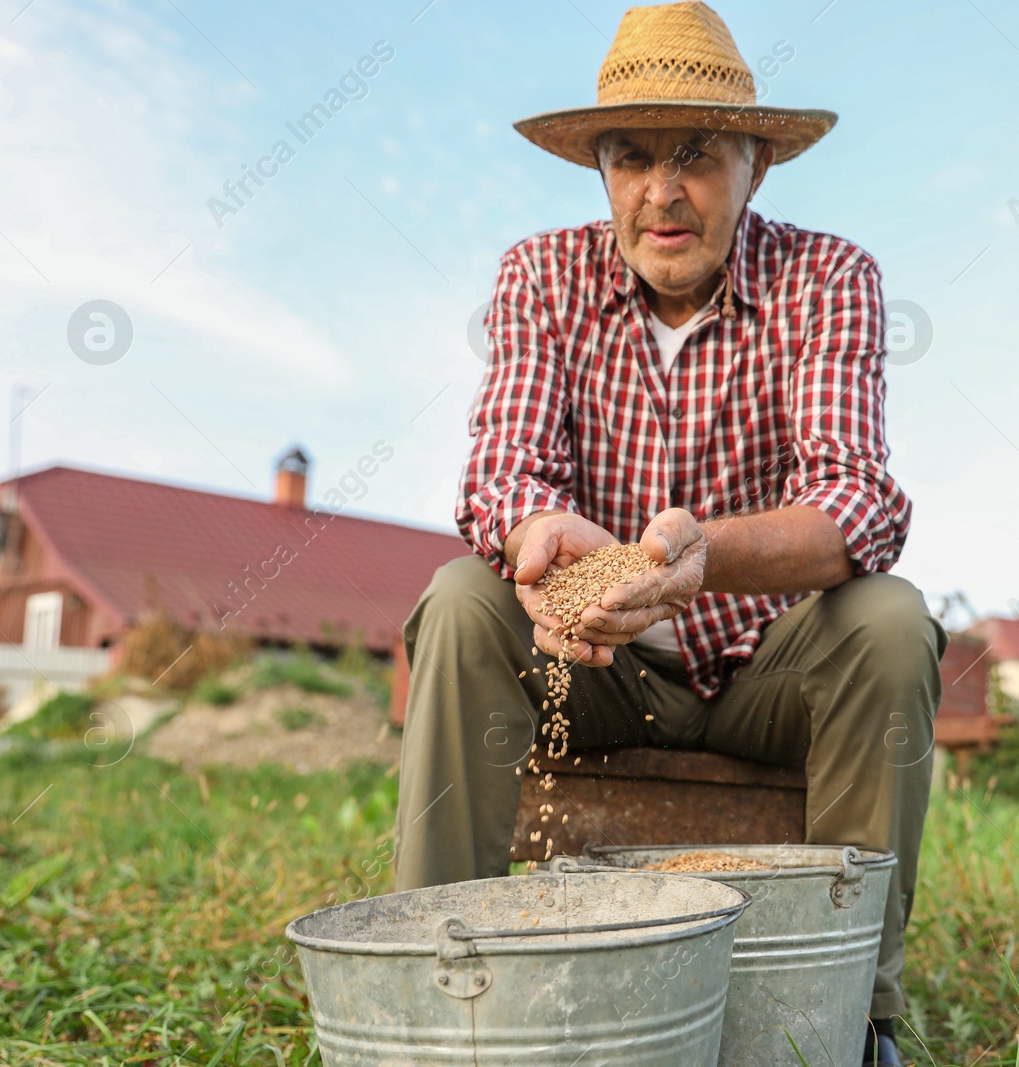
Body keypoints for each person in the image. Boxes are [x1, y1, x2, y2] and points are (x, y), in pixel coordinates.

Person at [395, 3, 945, 1061]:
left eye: (697, 154)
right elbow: (502, 474)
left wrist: (696, 564)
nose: (662, 191)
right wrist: (547, 541)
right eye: (630, 156)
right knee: (461, 595)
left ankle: (852, 1021)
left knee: (888, 616)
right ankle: (441, 990)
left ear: (757, 165)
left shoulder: (828, 278)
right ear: (600, 172)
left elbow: (855, 501)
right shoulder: (542, 276)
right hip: (587, 668)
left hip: (760, 678)